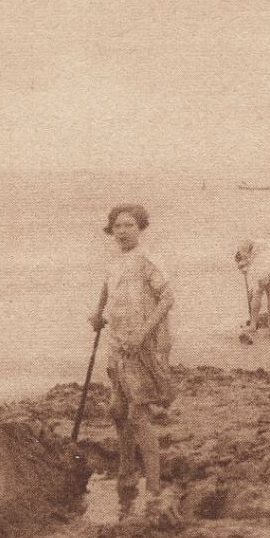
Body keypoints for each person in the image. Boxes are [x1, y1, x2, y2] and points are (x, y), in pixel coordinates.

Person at [88, 203, 177, 520]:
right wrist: (98, 315)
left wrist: (144, 332)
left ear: (140, 228)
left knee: (139, 416)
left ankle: (153, 487)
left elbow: (167, 298)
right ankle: (126, 476)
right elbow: (107, 290)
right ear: (111, 230)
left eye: (129, 225)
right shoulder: (114, 263)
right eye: (117, 226)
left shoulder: (147, 259)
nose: (122, 231)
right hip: (116, 343)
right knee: (116, 410)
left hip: (139, 345)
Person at [235, 238, 270, 338]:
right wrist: (245, 267)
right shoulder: (256, 243)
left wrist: (244, 267)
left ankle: (253, 325)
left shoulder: (243, 250)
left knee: (257, 293)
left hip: (266, 263)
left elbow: (248, 261)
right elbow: (248, 260)